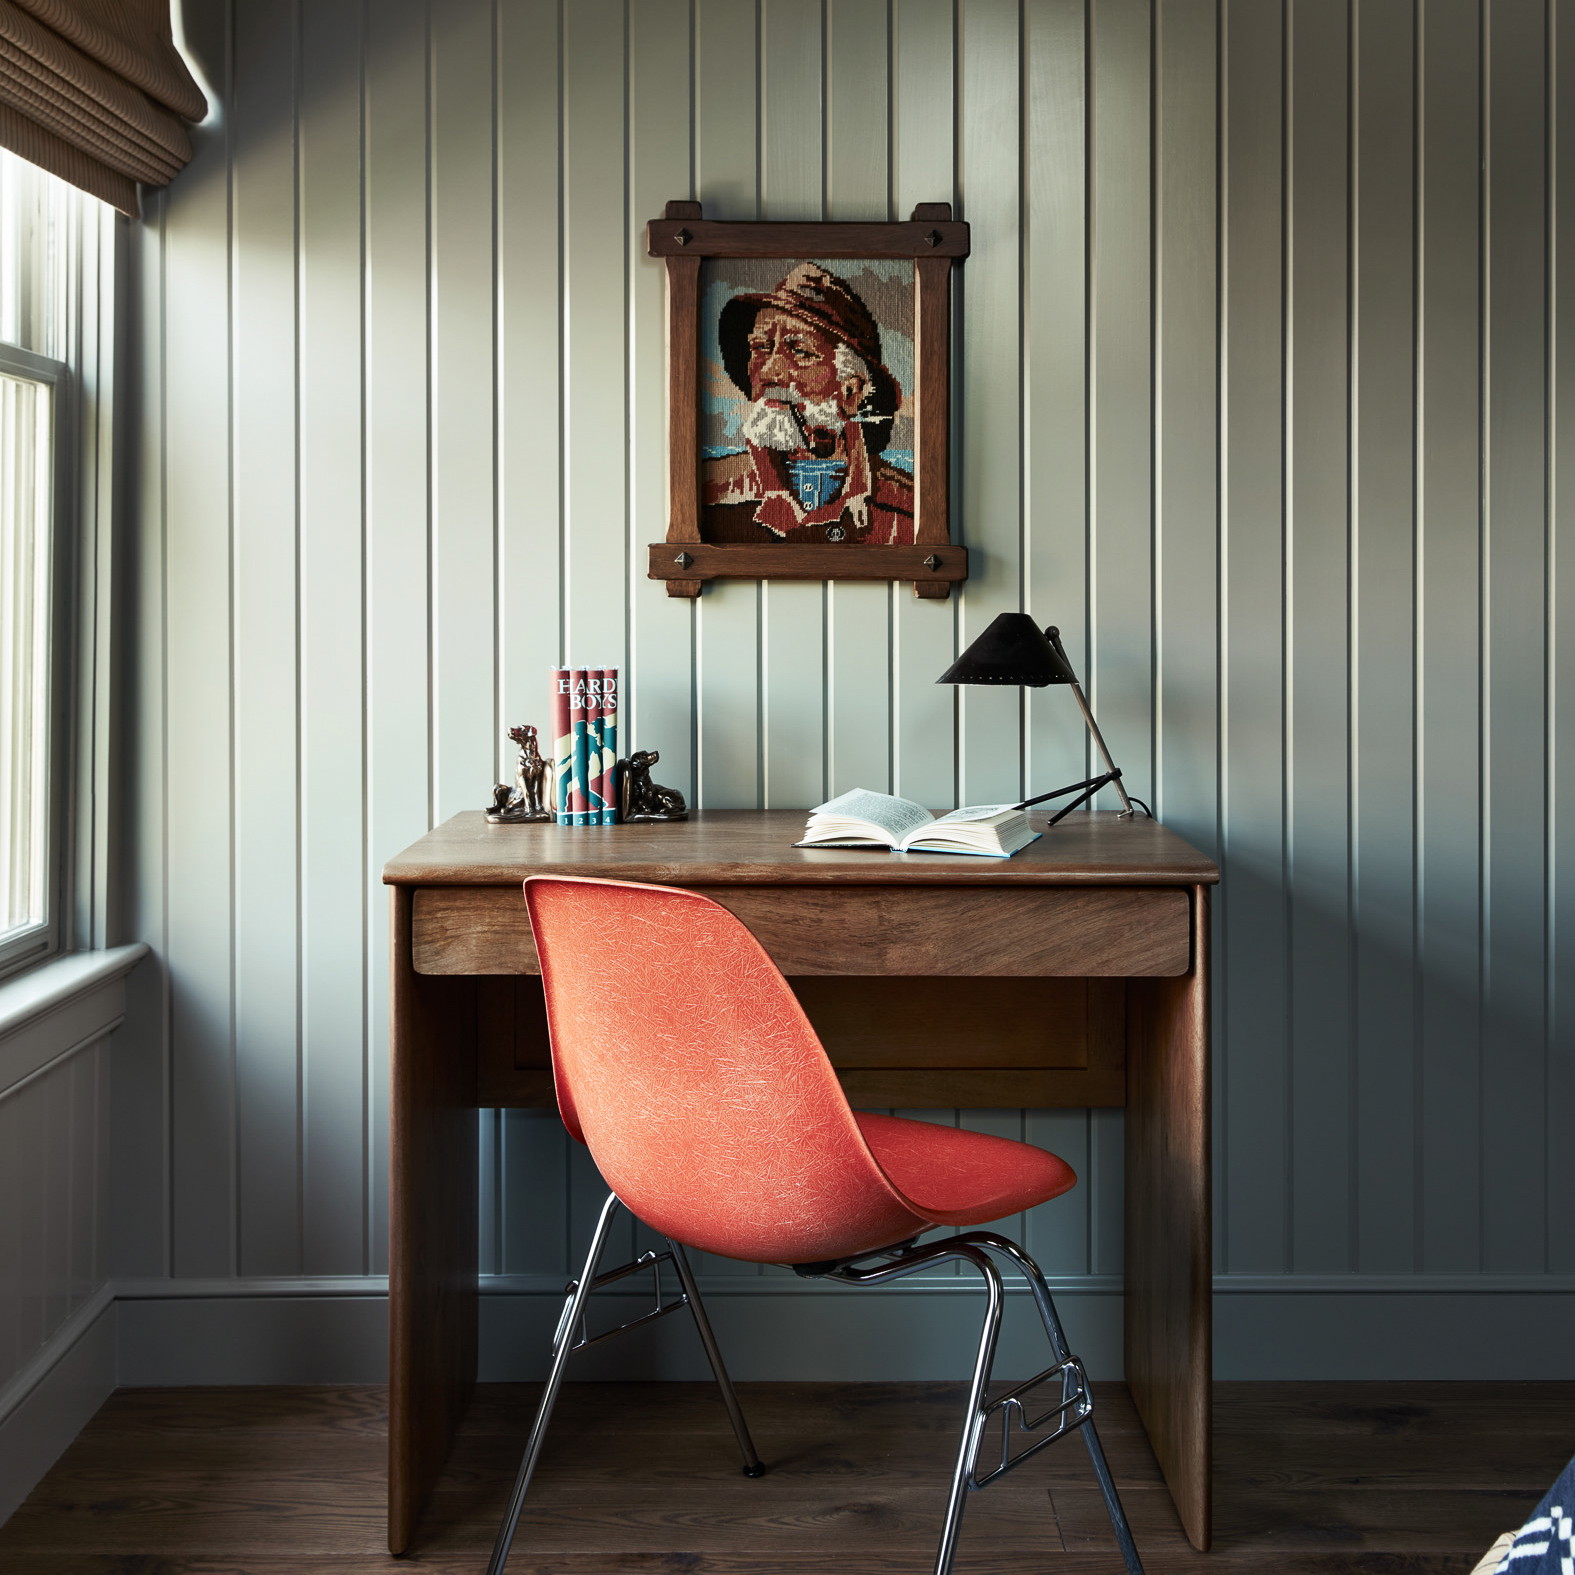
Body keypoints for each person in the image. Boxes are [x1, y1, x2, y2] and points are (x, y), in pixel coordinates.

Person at [702, 262, 916, 545]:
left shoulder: (909, 513)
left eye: (800, 352)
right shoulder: (713, 495)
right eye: (761, 349)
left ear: (851, 390)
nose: (769, 372)